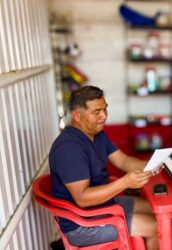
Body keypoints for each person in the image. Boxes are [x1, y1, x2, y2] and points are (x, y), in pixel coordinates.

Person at [49, 86, 159, 250]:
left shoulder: (96, 133)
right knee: (154, 227)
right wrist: (125, 183)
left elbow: (123, 160)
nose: (104, 116)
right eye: (97, 112)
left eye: (105, 109)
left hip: (103, 205)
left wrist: (151, 165)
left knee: (156, 210)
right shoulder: (69, 148)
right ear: (77, 115)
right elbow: (83, 198)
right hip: (83, 224)